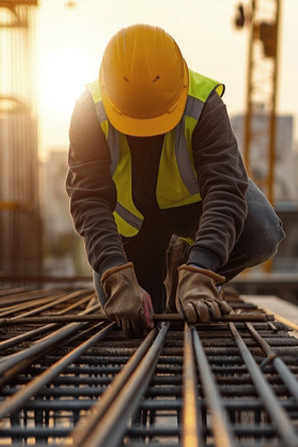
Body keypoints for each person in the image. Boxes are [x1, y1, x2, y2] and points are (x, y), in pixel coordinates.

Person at [67, 24, 284, 336]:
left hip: (192, 210)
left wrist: (202, 270)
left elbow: (225, 188)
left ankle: (186, 265)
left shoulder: (203, 104)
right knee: (138, 319)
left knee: (262, 230)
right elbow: (88, 198)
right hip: (133, 229)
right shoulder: (89, 109)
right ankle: (156, 275)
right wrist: (115, 272)